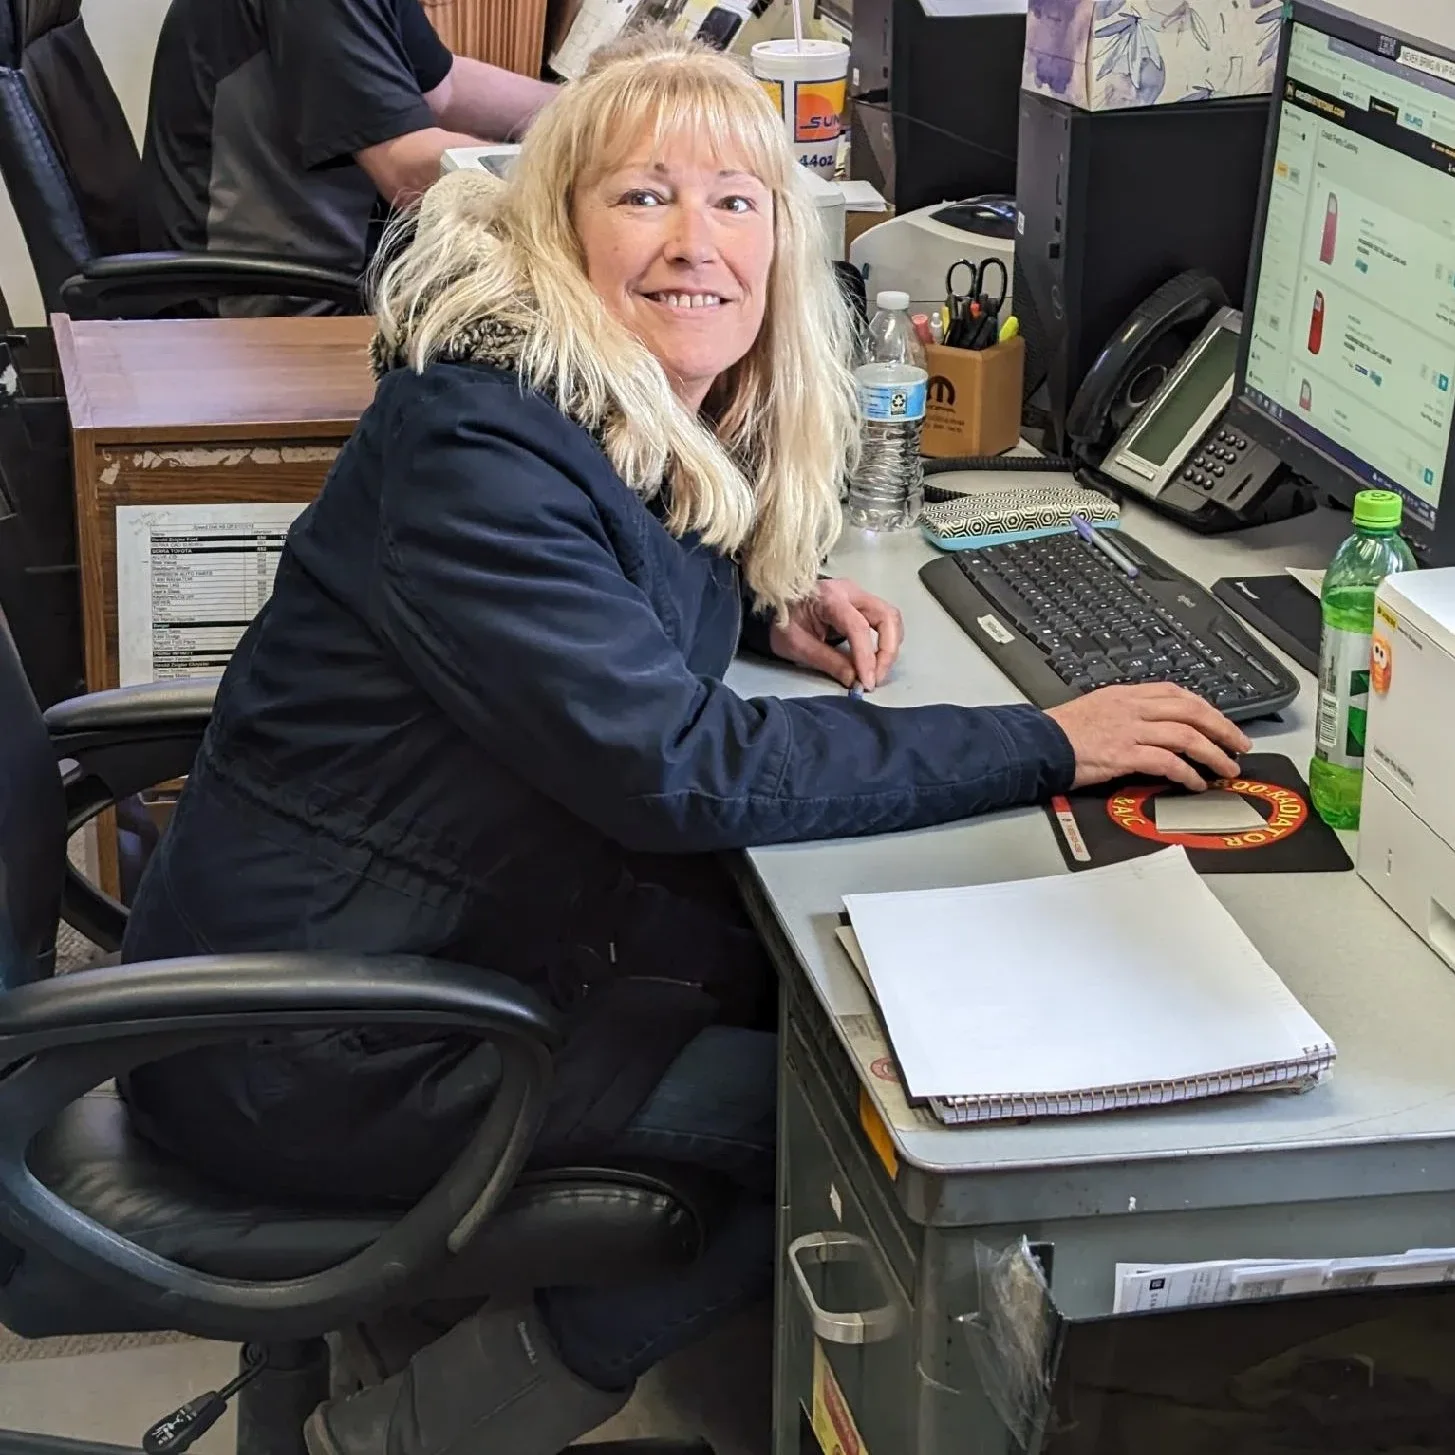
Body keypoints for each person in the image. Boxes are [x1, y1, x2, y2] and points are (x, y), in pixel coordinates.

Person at [119, 28, 1251, 1455]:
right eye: (641, 196)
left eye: (734, 201)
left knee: (818, 1007)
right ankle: (431, 1421)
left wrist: (764, 604)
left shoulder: (579, 407)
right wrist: (1043, 739)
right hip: (322, 1041)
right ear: (557, 228)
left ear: (784, 244)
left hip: (413, 948)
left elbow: (611, 595)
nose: (692, 240)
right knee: (853, 1124)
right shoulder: (482, 449)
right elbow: (680, 769)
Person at [138, 0, 557, 312]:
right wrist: (575, 169)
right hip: (262, 315)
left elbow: (444, 89)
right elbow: (406, 170)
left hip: (329, 275)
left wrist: (589, 109)